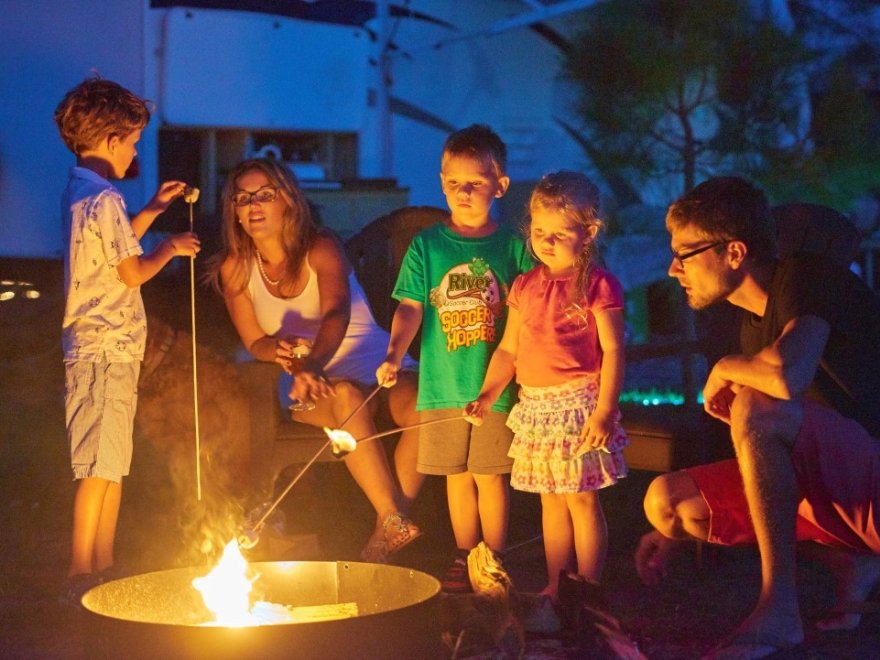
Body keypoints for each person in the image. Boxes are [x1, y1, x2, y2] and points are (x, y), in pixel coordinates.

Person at [634, 176, 880, 659]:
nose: (672, 268)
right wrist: (681, 532)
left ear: (734, 252)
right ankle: (849, 559)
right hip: (839, 494)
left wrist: (728, 370)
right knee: (669, 503)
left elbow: (789, 375)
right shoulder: (752, 331)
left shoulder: (808, 275)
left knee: (756, 403)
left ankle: (779, 608)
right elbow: (769, 461)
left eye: (685, 253)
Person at [208, 157, 422, 563]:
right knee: (343, 395)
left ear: (287, 200)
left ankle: (387, 527)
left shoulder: (320, 246)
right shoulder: (236, 268)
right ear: (233, 211)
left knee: (425, 408)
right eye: (242, 198)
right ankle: (392, 517)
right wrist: (280, 352)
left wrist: (313, 361)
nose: (253, 205)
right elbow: (255, 342)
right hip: (315, 383)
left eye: (264, 195)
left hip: (372, 363)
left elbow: (336, 313)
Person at [54, 77, 201, 603]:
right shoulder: (105, 198)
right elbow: (132, 271)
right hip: (103, 349)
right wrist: (172, 247)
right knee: (98, 466)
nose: (136, 149)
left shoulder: (84, 193)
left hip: (105, 349)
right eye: (134, 140)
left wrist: (156, 209)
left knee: (110, 461)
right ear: (114, 138)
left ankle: (103, 566)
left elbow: (116, 246)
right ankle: (81, 572)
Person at [376, 124, 534, 593]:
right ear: (441, 180)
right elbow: (410, 306)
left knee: (489, 475)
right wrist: (393, 355)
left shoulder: (512, 248)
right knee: (457, 476)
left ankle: (494, 557)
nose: (463, 193)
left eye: (476, 183)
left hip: (494, 385)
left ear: (499, 185)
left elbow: (530, 310)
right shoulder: (428, 245)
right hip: (441, 385)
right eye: (453, 183)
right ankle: (465, 556)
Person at [464, 171, 629, 608]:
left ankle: (588, 588)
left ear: (589, 232)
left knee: (581, 501)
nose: (547, 241)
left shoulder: (598, 285)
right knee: (551, 502)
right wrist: (486, 394)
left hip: (579, 405)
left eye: (560, 233)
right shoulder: (525, 286)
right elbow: (508, 350)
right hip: (536, 407)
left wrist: (604, 412)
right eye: (539, 231)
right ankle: (558, 583)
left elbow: (614, 351)